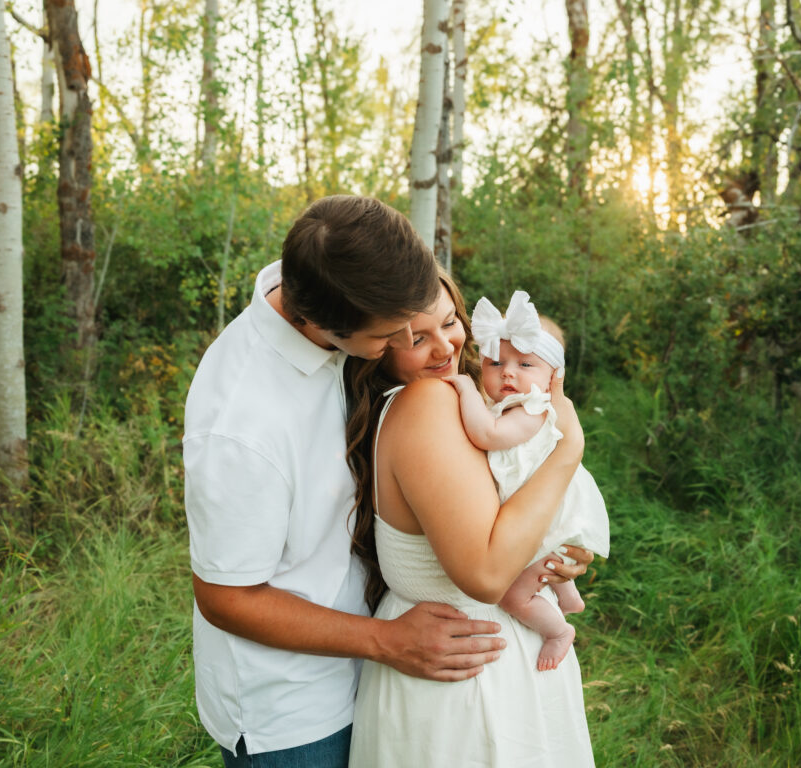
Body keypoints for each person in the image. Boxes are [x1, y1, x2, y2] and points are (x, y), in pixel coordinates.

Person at [184, 196, 556, 768]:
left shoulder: (340, 276)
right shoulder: (242, 424)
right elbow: (224, 596)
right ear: (328, 326)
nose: (418, 345)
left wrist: (545, 540)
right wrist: (388, 642)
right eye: (393, 337)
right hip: (296, 713)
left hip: (385, 665)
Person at [345, 274, 597, 767]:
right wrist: (571, 447)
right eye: (417, 338)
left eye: (449, 323)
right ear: (378, 348)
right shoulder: (430, 402)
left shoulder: (477, 399)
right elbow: (486, 574)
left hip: (493, 652)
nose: (444, 349)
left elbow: (513, 511)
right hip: (469, 664)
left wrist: (558, 550)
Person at [445, 290, 610, 672]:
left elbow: (487, 436)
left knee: (513, 596)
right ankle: (567, 595)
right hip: (540, 511)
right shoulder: (513, 405)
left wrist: (466, 387)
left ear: (554, 378)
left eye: (525, 364)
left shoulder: (533, 409)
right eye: (496, 362)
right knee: (541, 560)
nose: (508, 372)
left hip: (545, 513)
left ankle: (559, 631)